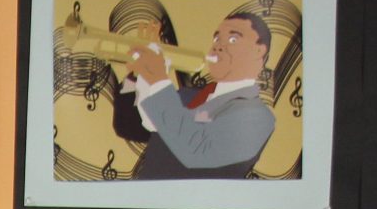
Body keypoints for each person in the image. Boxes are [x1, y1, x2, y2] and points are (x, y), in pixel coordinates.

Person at [113, 9, 277, 179]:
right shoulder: (186, 96)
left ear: (259, 51)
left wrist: (157, 79)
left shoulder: (258, 116)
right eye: (216, 38)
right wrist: (138, 75)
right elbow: (130, 127)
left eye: (233, 39)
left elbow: (196, 150)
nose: (218, 45)